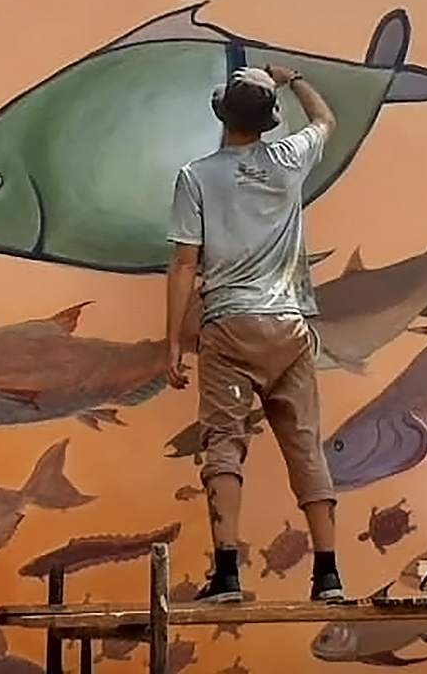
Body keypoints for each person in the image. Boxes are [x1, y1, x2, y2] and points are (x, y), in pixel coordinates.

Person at [165, 63, 343, 604]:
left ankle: (227, 575)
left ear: (224, 115)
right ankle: (328, 576)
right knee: (304, 442)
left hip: (229, 325)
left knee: (224, 442)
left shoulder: (197, 177)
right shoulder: (290, 159)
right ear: (269, 120)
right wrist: (294, 78)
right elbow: (325, 119)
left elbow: (184, 264)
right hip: (289, 325)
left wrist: (173, 342)